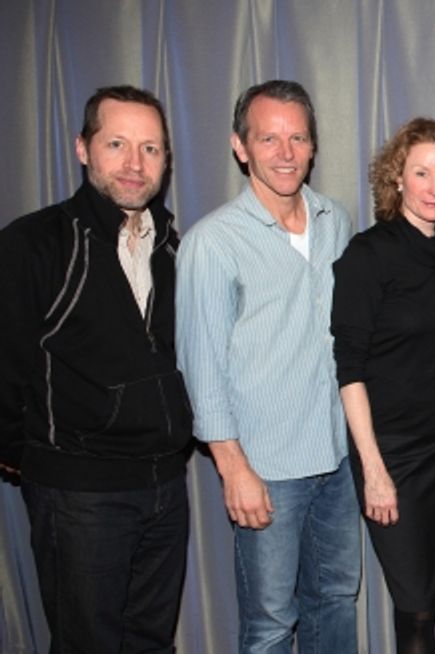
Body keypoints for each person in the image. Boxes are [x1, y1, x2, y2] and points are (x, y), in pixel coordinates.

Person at [0, 85, 192, 654]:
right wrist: (34, 460)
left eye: (151, 148)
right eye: (117, 143)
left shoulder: (174, 249)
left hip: (164, 488)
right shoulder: (34, 243)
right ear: (83, 148)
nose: (135, 164)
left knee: (150, 643)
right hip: (79, 495)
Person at [176, 80, 359, 653]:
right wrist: (234, 469)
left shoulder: (338, 222)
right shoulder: (213, 242)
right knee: (271, 623)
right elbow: (200, 366)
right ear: (240, 146)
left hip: (337, 459)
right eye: (269, 138)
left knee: (335, 604)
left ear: (312, 147)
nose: (285, 152)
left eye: (298, 138)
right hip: (266, 467)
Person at [331, 116, 435, 653]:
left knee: (427, 602)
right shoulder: (366, 255)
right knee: (415, 602)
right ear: (397, 179)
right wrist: (373, 469)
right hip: (392, 453)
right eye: (422, 173)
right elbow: (349, 368)